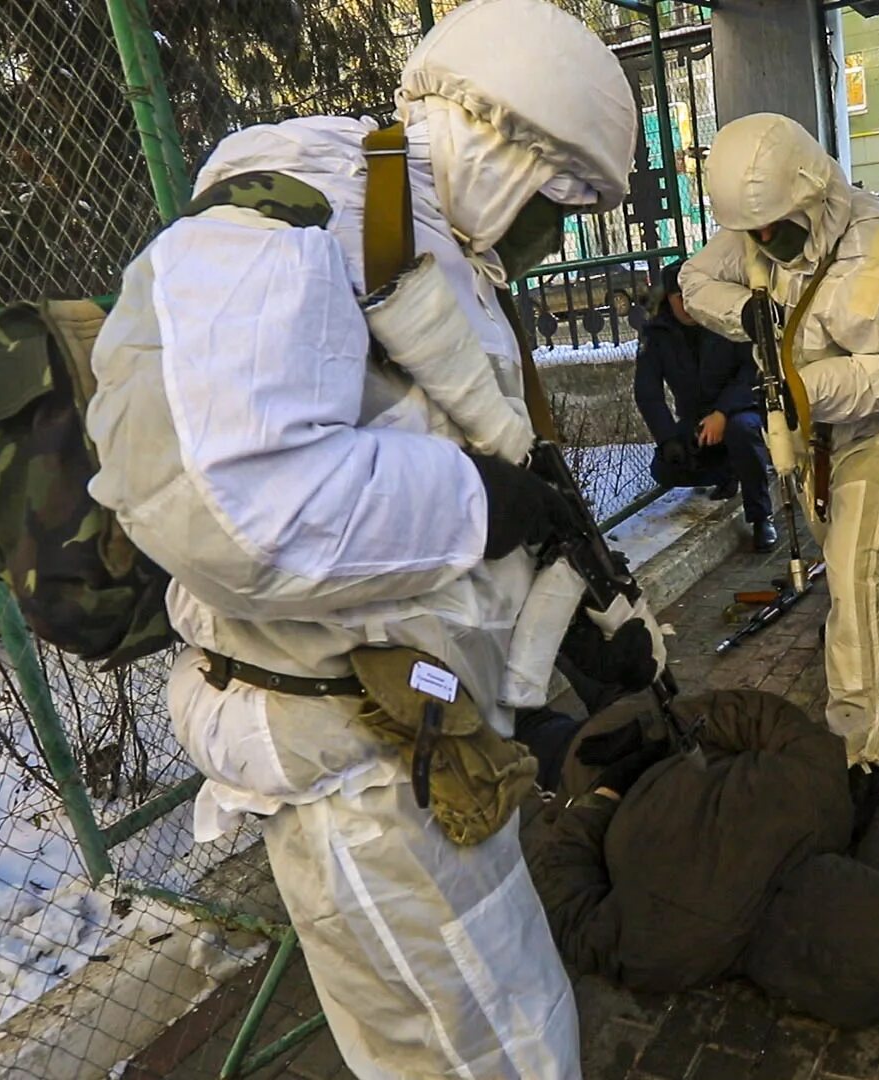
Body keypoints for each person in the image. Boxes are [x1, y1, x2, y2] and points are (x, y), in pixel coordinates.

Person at [83, 2, 646, 1076]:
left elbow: (422, 490)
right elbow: (234, 506)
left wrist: (566, 658)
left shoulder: (416, 239)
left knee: (495, 1035)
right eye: (559, 197)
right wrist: (479, 505)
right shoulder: (291, 225)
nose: (557, 232)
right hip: (358, 770)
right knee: (496, 1053)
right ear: (494, 141)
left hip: (415, 742)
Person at [680, 113, 879, 825]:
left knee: (852, 581)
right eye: (751, 233)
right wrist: (753, 311)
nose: (760, 244)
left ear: (811, 192)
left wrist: (808, 389)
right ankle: (873, 628)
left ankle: (862, 753)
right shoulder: (760, 224)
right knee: (845, 563)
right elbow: (696, 278)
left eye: (770, 230)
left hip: (872, 431)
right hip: (801, 435)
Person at [517, 689, 879, 1027]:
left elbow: (757, 714)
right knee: (522, 718)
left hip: (604, 750)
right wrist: (650, 744)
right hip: (598, 756)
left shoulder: (826, 801)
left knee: (526, 715)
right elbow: (565, 900)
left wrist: (632, 764)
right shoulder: (677, 949)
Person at [634, 262, 778, 552]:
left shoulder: (724, 320)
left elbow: (751, 369)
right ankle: (728, 471)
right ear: (668, 299)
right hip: (696, 419)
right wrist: (668, 439)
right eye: (679, 297)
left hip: (739, 410)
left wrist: (723, 413)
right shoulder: (657, 334)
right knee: (665, 469)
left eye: (691, 295)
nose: (686, 304)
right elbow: (647, 392)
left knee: (743, 432)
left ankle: (762, 517)